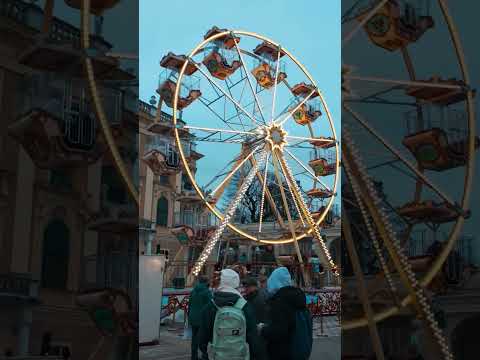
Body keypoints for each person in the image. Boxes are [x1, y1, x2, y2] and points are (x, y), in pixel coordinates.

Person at [199, 269, 258, 360]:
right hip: (239, 355)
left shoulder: (211, 306)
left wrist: (205, 353)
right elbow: (253, 337)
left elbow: (202, 337)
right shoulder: (244, 306)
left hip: (216, 355)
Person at [259, 267, 313, 360]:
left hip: (283, 353)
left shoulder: (280, 301)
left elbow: (279, 331)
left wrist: (262, 329)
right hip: (297, 350)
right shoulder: (297, 297)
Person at [243, 277, 268, 360]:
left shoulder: (258, 299)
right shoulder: (250, 297)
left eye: (248, 286)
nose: (245, 288)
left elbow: (257, 318)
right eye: (245, 286)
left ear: (254, 287)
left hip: (257, 337)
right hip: (253, 336)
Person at [188, 275, 212, 360]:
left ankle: (193, 356)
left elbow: (189, 304)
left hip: (192, 318)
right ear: (206, 282)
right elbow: (210, 306)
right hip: (202, 319)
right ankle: (204, 356)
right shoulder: (207, 292)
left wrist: (189, 316)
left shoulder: (193, 291)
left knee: (194, 338)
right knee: (203, 339)